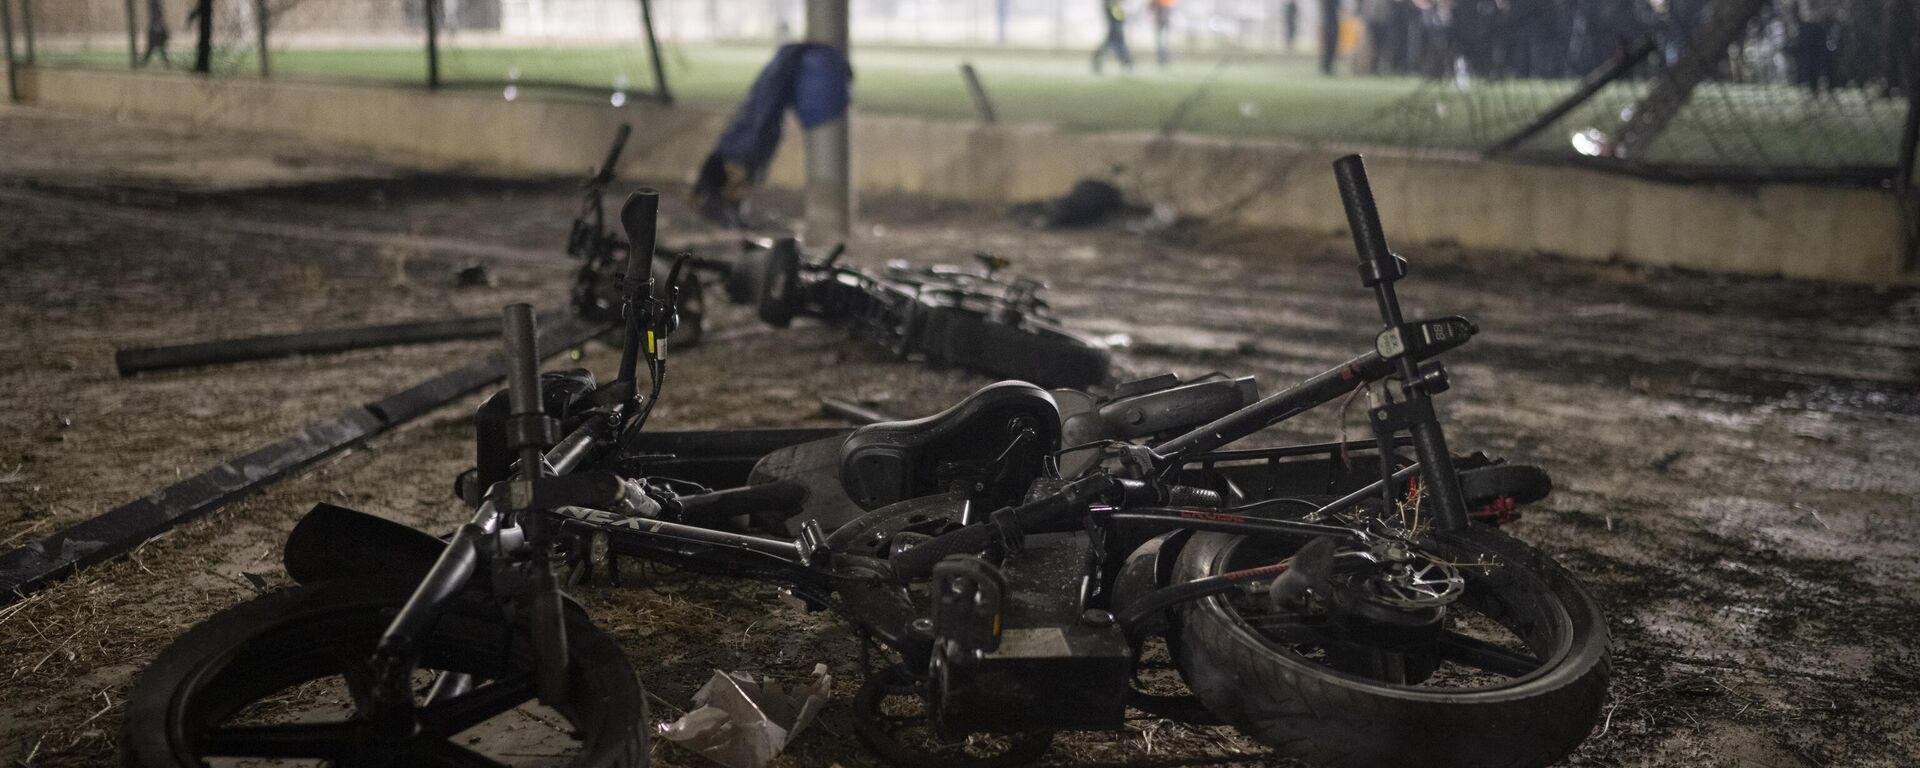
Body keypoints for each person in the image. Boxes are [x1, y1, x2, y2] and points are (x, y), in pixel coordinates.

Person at [1093, 0, 1134, 74]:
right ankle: (1127, 62)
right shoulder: (1111, 4)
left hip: (1115, 16)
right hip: (1115, 17)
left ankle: (1126, 62)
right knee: (1117, 42)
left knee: (1114, 42)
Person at [140, 0, 172, 67]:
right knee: (156, 46)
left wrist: (157, 24)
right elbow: (157, 13)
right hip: (156, 25)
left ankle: (143, 63)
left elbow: (157, 13)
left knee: (155, 46)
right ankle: (167, 63)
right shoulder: (155, 2)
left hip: (156, 25)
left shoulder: (154, 2)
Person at [1151, 0, 1177, 68]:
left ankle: (1163, 61)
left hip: (1162, 23)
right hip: (1162, 23)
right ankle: (1163, 61)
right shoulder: (1166, 3)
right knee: (1162, 43)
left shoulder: (1165, 3)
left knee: (1162, 43)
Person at [1319, 0, 1342, 73]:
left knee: (1331, 44)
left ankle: (1328, 66)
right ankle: (1326, 67)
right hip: (1330, 23)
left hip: (1332, 22)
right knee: (1329, 44)